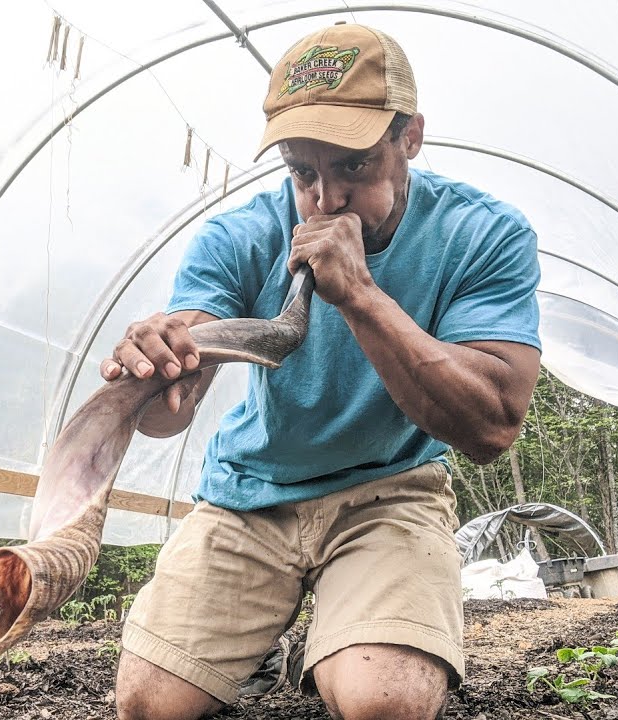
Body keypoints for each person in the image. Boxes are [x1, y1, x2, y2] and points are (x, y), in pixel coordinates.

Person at [104, 22, 541, 720]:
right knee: (149, 703)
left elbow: (492, 425)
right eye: (303, 173)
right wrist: (156, 372)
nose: (325, 200)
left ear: (411, 138)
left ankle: (343, 634)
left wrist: (361, 295)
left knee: (385, 703)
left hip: (389, 490)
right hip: (253, 494)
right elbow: (168, 416)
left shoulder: (483, 234)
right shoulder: (237, 236)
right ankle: (274, 644)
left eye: (353, 167)